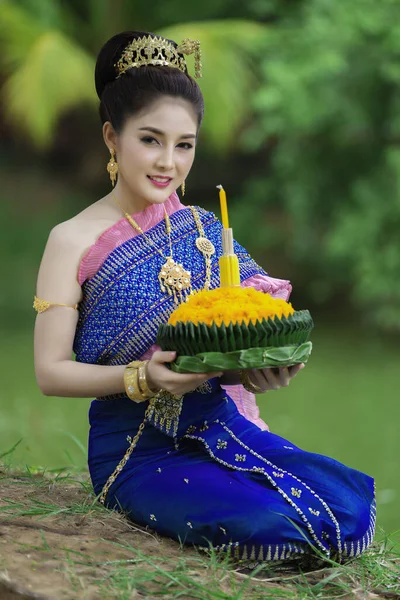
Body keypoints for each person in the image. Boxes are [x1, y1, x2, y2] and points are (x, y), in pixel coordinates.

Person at [33, 31, 375, 565]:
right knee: (274, 526)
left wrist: (259, 367)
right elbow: (50, 373)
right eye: (150, 139)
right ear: (110, 137)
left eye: (184, 144)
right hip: (136, 448)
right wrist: (145, 377)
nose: (168, 162)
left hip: (218, 421)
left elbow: (233, 346)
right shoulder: (72, 240)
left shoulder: (204, 230)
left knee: (347, 510)